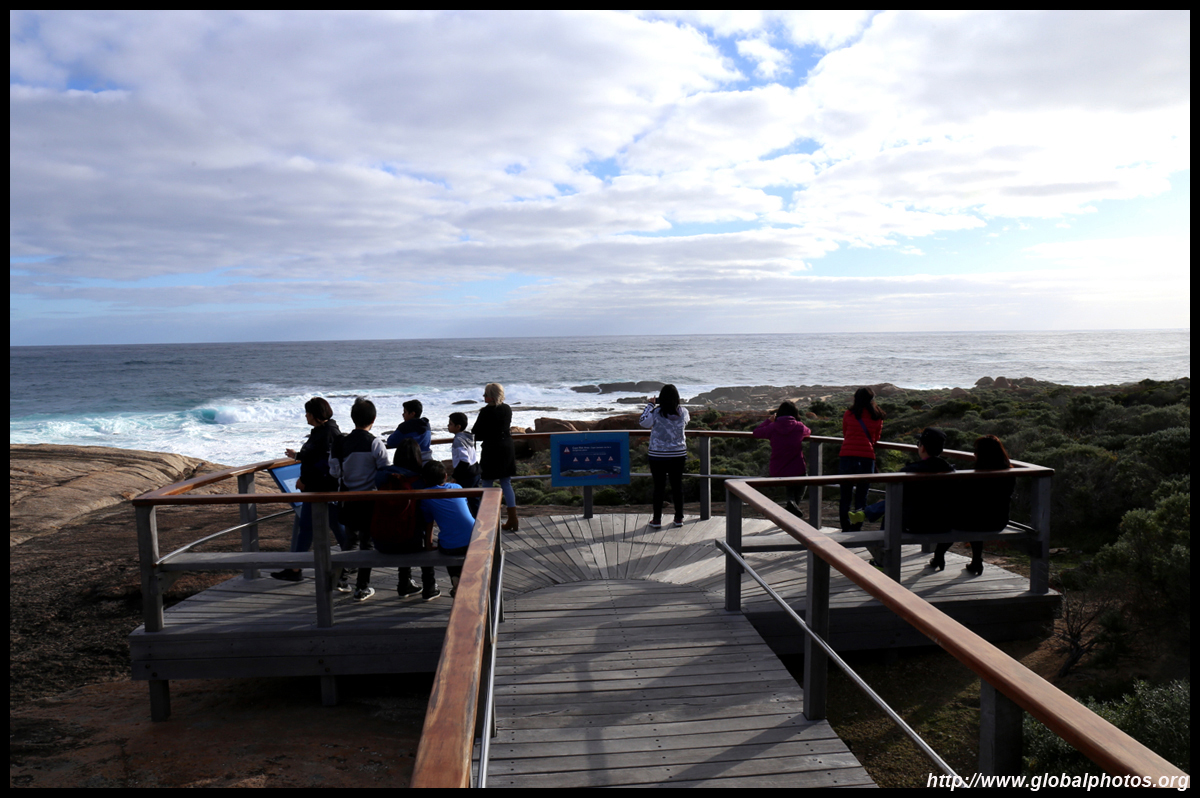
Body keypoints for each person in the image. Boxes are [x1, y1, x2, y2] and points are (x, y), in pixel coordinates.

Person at [851, 427, 956, 563]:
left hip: (916, 525)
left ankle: (881, 560)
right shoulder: (951, 471)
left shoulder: (910, 471)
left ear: (922, 448)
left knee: (891, 511)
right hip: (944, 524)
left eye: (918, 444)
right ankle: (867, 512)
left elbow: (899, 499)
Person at [272, 397, 345, 582]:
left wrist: (305, 481)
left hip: (321, 490)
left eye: (307, 413)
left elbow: (324, 465)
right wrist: (298, 455)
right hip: (317, 490)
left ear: (314, 415)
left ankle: (353, 563)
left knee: (323, 527)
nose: (305, 416)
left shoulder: (328, 434)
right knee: (317, 527)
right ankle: (296, 568)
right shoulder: (322, 431)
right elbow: (315, 456)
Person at [329, 397, 389, 601]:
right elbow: (384, 470)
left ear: (353, 418)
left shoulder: (341, 442)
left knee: (350, 540)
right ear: (373, 419)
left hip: (347, 499)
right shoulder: (375, 443)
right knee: (367, 543)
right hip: (370, 500)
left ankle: (342, 578)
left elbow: (334, 472)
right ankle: (362, 587)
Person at [933, 435, 1016, 575]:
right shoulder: (1009, 473)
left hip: (974, 521)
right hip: (998, 521)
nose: (974, 454)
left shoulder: (976, 476)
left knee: (958, 517)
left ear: (982, 454)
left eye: (976, 451)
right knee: (976, 515)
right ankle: (976, 560)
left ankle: (938, 555)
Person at [419, 460, 477, 599]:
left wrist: (428, 545)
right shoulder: (457, 487)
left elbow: (428, 523)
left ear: (424, 479)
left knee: (447, 542)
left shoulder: (426, 496)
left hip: (452, 547)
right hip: (475, 539)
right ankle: (466, 578)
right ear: (445, 476)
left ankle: (455, 577)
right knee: (458, 542)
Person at [639, 384, 690, 529]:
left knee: (659, 487)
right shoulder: (684, 412)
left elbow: (643, 422)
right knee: (677, 486)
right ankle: (679, 518)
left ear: (661, 398)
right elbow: (685, 422)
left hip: (657, 455)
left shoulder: (656, 412)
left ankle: (657, 520)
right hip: (678, 454)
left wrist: (650, 405)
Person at [752, 400, 812, 515]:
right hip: (797, 468)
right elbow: (808, 431)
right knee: (801, 481)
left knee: (788, 480)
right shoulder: (799, 427)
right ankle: (793, 504)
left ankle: (791, 503)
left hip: (777, 469)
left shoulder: (772, 427)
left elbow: (756, 432)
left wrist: (769, 420)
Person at [473, 383, 519, 531]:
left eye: (485, 394)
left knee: (487, 482)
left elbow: (477, 432)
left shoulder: (486, 412)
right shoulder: (507, 409)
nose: (483, 397)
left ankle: (488, 520)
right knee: (506, 482)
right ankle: (513, 518)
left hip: (492, 448)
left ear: (491, 396)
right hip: (507, 446)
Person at [839, 387, 885, 531]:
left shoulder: (849, 414)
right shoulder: (877, 416)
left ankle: (845, 526)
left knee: (845, 495)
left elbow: (845, 433)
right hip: (866, 457)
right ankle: (857, 526)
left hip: (847, 456)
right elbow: (875, 438)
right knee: (862, 495)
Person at [448, 411, 482, 517]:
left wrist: (455, 476)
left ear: (458, 427)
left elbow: (464, 460)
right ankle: (479, 520)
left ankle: (470, 521)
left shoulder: (458, 440)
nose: (448, 426)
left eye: (450, 424)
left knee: (465, 502)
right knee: (474, 501)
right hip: (475, 471)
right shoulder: (468, 436)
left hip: (466, 476)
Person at [387, 399, 433, 464]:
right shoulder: (426, 425)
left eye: (405, 412)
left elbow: (391, 442)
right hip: (427, 460)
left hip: (411, 463)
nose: (403, 414)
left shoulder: (405, 427)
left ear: (412, 414)